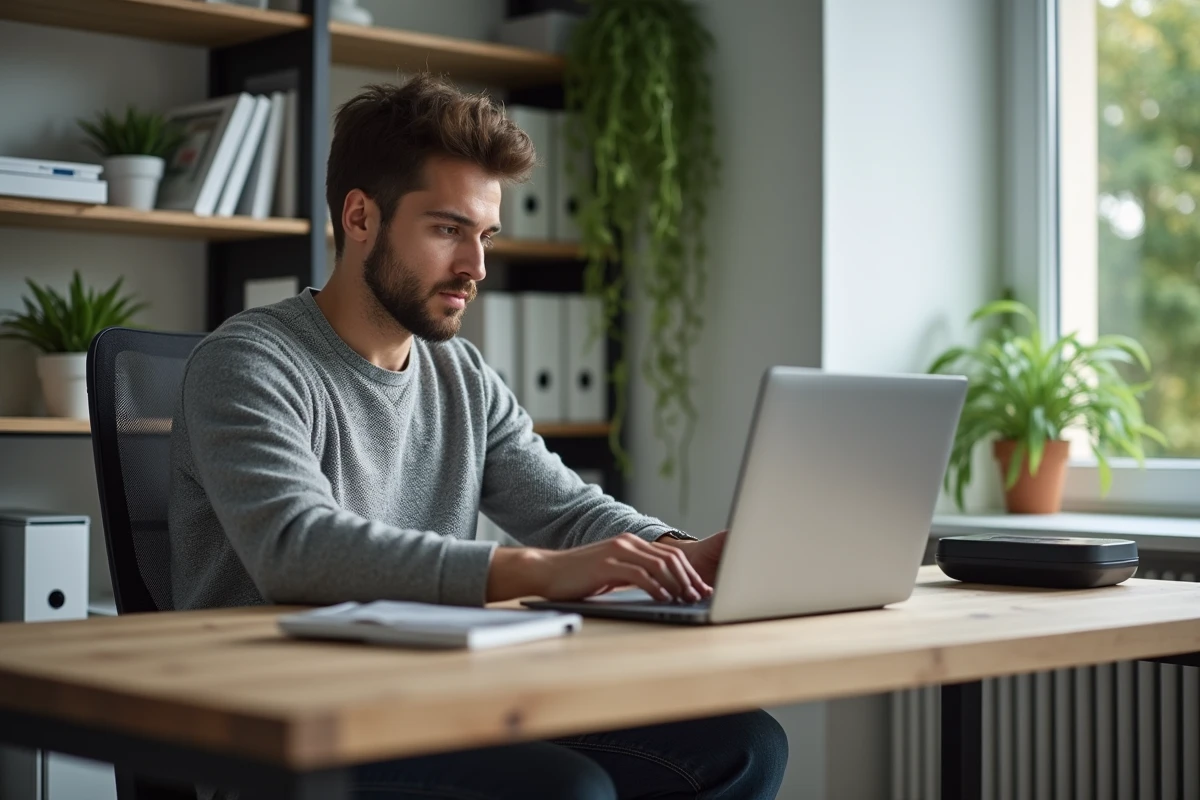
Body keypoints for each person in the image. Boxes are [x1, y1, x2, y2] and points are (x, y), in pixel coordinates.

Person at [169, 74, 787, 800]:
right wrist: (537, 571)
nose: (476, 268)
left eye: (485, 235)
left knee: (742, 745)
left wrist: (676, 552)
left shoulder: (459, 373)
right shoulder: (248, 362)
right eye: (447, 230)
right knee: (564, 790)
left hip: (433, 700)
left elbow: (567, 510)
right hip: (283, 728)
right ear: (361, 217)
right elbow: (295, 550)